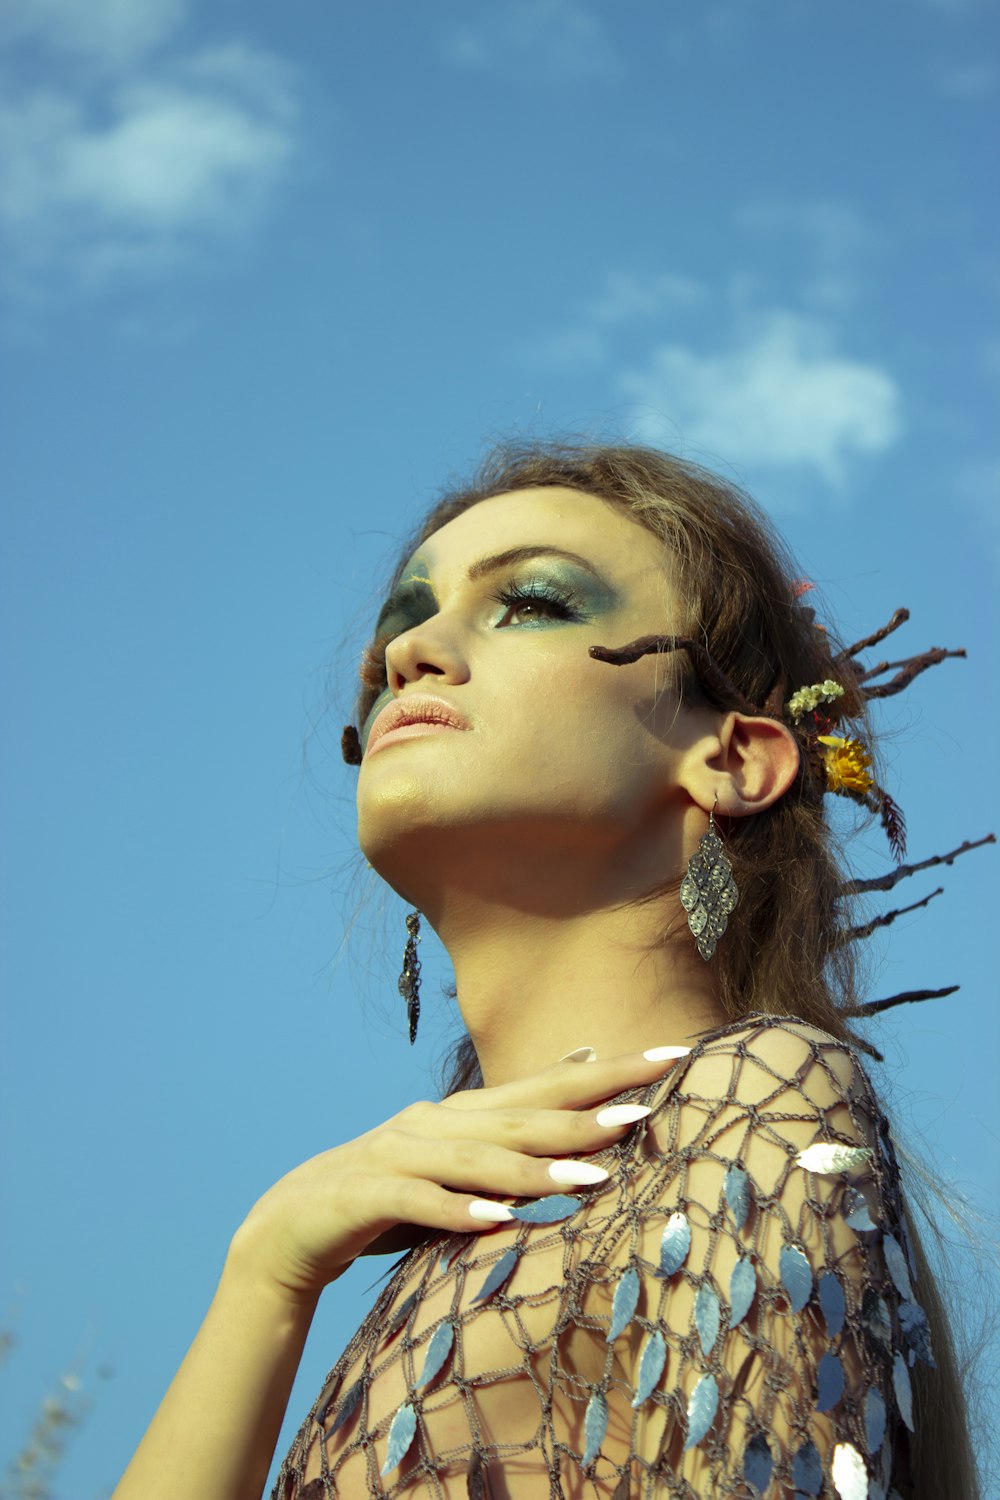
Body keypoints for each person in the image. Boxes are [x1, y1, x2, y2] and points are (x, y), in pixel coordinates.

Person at [111, 442, 981, 1499]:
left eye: (528, 602)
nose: (411, 654)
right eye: (402, 622)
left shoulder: (762, 1099)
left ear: (735, 758)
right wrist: (265, 1273)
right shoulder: (396, 1262)